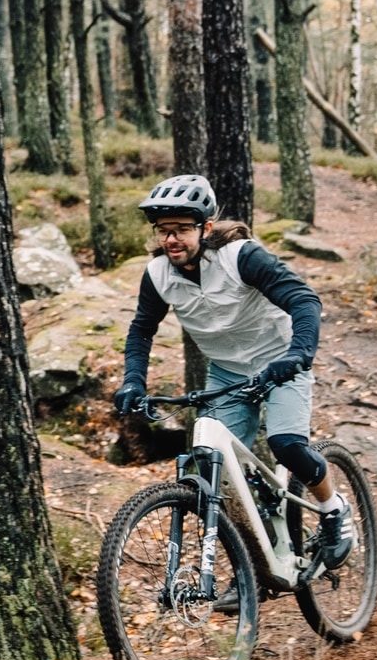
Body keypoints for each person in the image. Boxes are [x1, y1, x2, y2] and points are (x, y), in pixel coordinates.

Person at [113, 174, 353, 570]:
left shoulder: (240, 256)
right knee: (213, 471)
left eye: (182, 230)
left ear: (205, 228)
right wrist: (133, 379)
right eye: (163, 231)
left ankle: (332, 508)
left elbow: (303, 299)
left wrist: (298, 354)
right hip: (227, 373)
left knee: (287, 445)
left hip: (280, 361)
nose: (171, 240)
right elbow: (141, 330)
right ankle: (249, 567)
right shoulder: (157, 274)